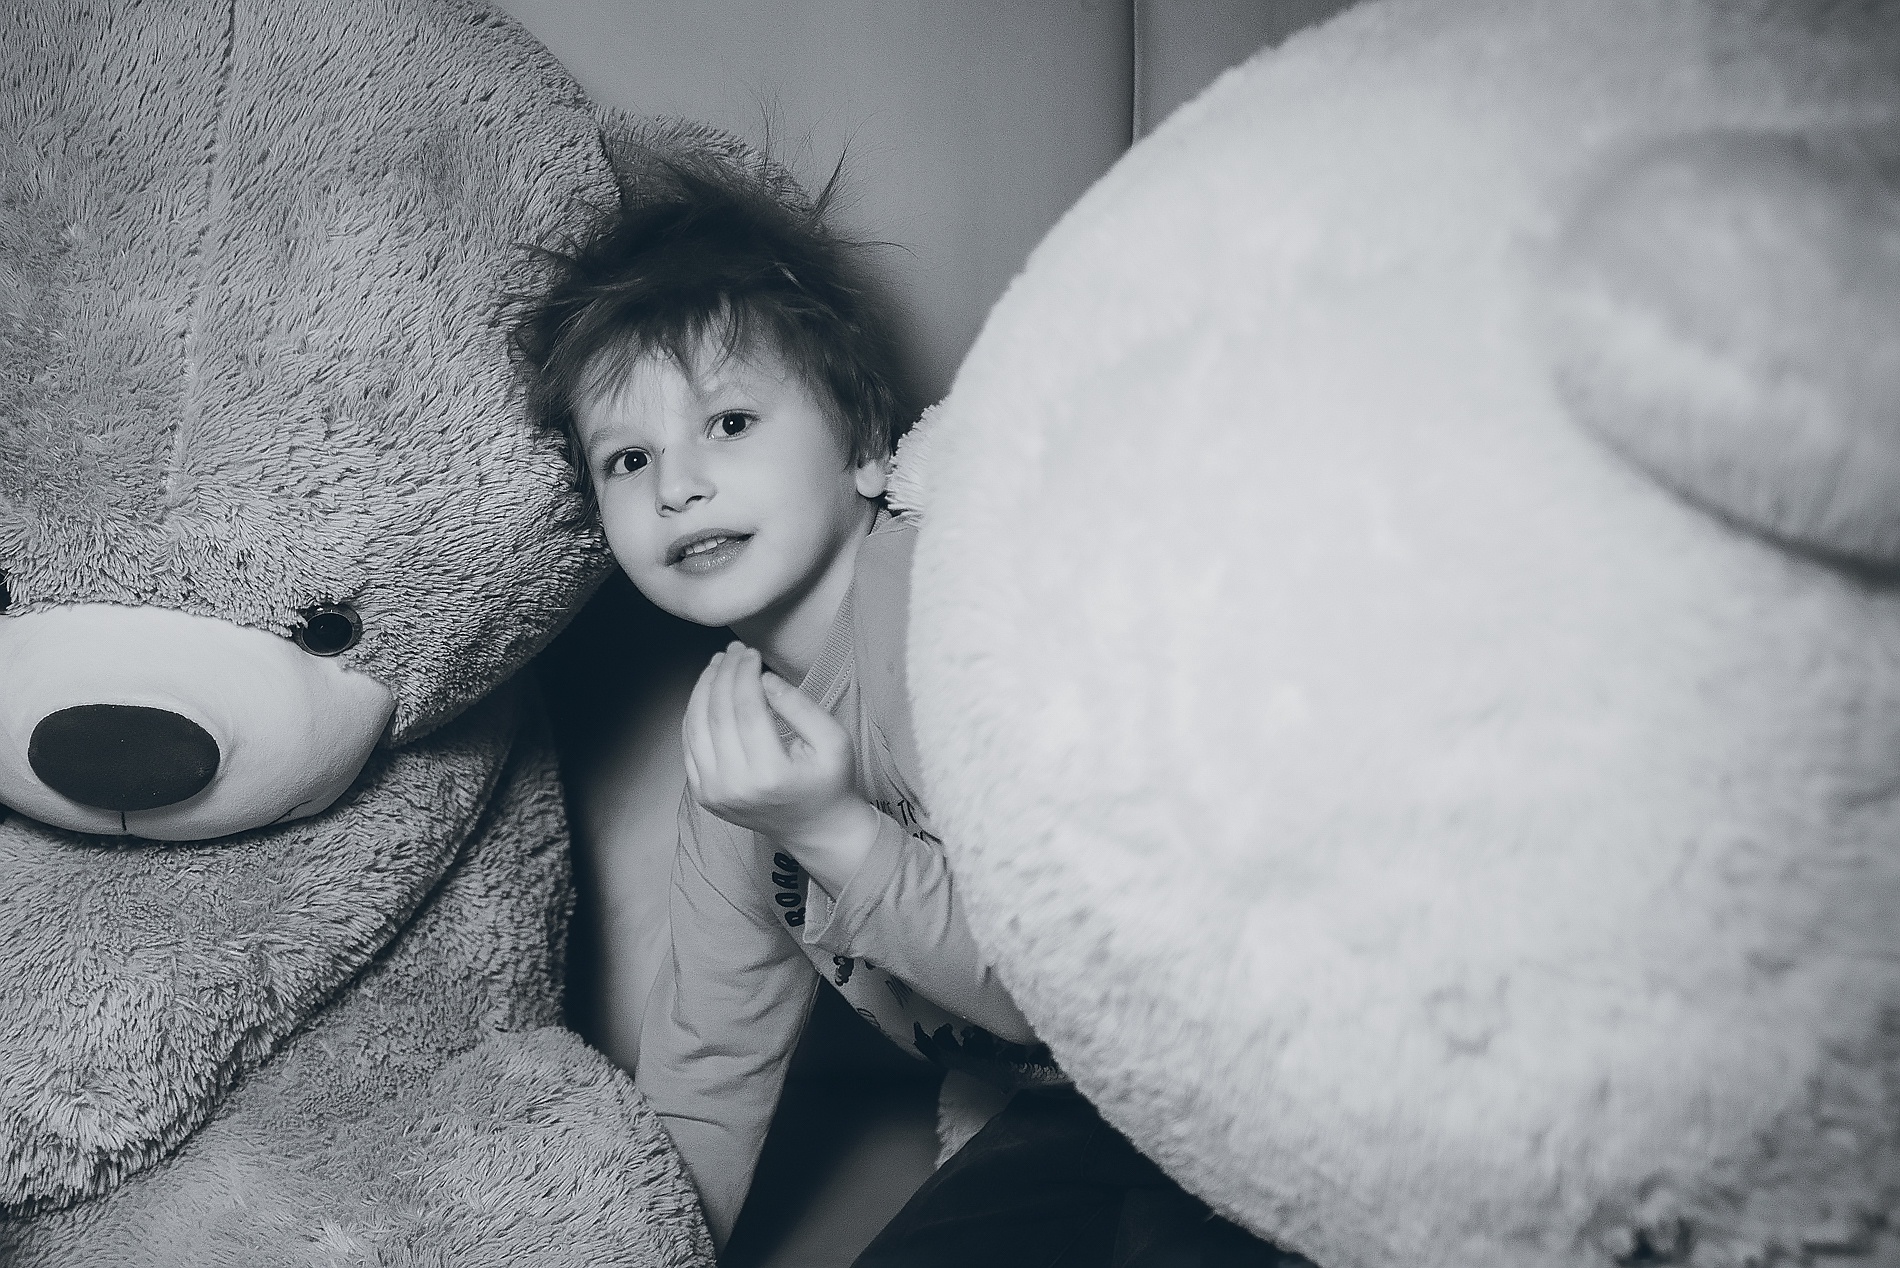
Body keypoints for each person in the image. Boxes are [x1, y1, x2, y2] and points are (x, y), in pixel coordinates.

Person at [513, 145, 1297, 1268]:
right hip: (1079, 1113)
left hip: (1239, 1048)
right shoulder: (737, 759)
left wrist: (833, 831)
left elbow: (1093, 983)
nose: (676, 484)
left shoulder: (952, 612)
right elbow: (708, 1076)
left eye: (728, 423)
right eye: (627, 458)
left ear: (868, 449)